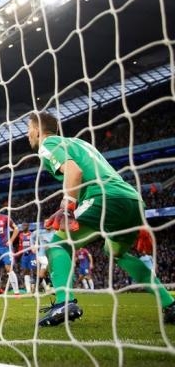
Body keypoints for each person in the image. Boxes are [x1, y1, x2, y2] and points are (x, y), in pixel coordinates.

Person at [27, 111, 175, 326]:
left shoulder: (48, 144)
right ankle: (169, 304)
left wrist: (67, 206)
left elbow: (74, 171)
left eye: (29, 129)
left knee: (58, 244)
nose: (27, 135)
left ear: (39, 129)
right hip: (132, 200)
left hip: (104, 198)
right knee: (114, 251)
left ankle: (64, 303)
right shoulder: (79, 143)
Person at [17, 223, 36, 293]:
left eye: (25, 225)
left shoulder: (32, 234)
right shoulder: (20, 235)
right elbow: (20, 246)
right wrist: (18, 254)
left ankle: (45, 287)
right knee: (25, 271)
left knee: (35, 271)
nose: (23, 227)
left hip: (32, 254)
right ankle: (28, 290)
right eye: (22, 226)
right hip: (25, 256)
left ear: (28, 226)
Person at [34, 227, 54, 294]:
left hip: (50, 255)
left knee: (42, 274)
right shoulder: (41, 233)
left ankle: (35, 289)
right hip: (42, 255)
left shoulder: (54, 233)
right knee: (46, 267)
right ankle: (49, 286)